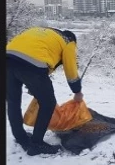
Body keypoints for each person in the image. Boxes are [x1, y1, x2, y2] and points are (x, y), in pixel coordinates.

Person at [6, 27, 84, 156]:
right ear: (72, 40)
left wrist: (33, 86)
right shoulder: (68, 42)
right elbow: (70, 69)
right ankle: (37, 144)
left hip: (7, 59)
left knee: (13, 102)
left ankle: (20, 137)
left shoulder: (44, 31)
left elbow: (32, 51)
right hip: (32, 66)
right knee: (48, 103)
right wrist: (77, 91)